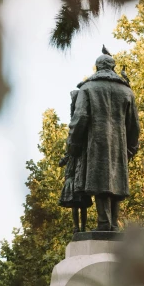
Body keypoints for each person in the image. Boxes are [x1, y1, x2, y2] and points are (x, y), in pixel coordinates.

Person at [66, 53, 140, 232]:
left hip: (96, 143)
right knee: (115, 180)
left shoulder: (88, 88)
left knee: (100, 180)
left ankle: (104, 223)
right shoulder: (126, 91)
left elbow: (80, 117)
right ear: (113, 68)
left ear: (97, 67)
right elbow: (134, 124)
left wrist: (73, 143)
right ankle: (112, 224)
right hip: (119, 145)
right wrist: (131, 147)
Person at [59, 89, 92, 233]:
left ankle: (80, 227)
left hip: (79, 174)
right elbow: (68, 154)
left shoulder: (79, 139)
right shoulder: (73, 144)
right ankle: (77, 227)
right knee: (76, 204)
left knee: (81, 204)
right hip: (74, 174)